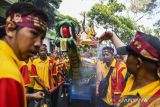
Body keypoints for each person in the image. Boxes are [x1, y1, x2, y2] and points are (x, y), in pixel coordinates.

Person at [0, 2, 48, 107]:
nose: (39, 44)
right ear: (10, 29)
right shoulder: (8, 75)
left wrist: (31, 96)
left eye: (42, 38)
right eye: (34, 33)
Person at [99, 31, 160, 106]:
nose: (125, 58)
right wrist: (112, 36)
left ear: (138, 63)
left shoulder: (156, 101)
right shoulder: (135, 77)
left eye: (128, 55)